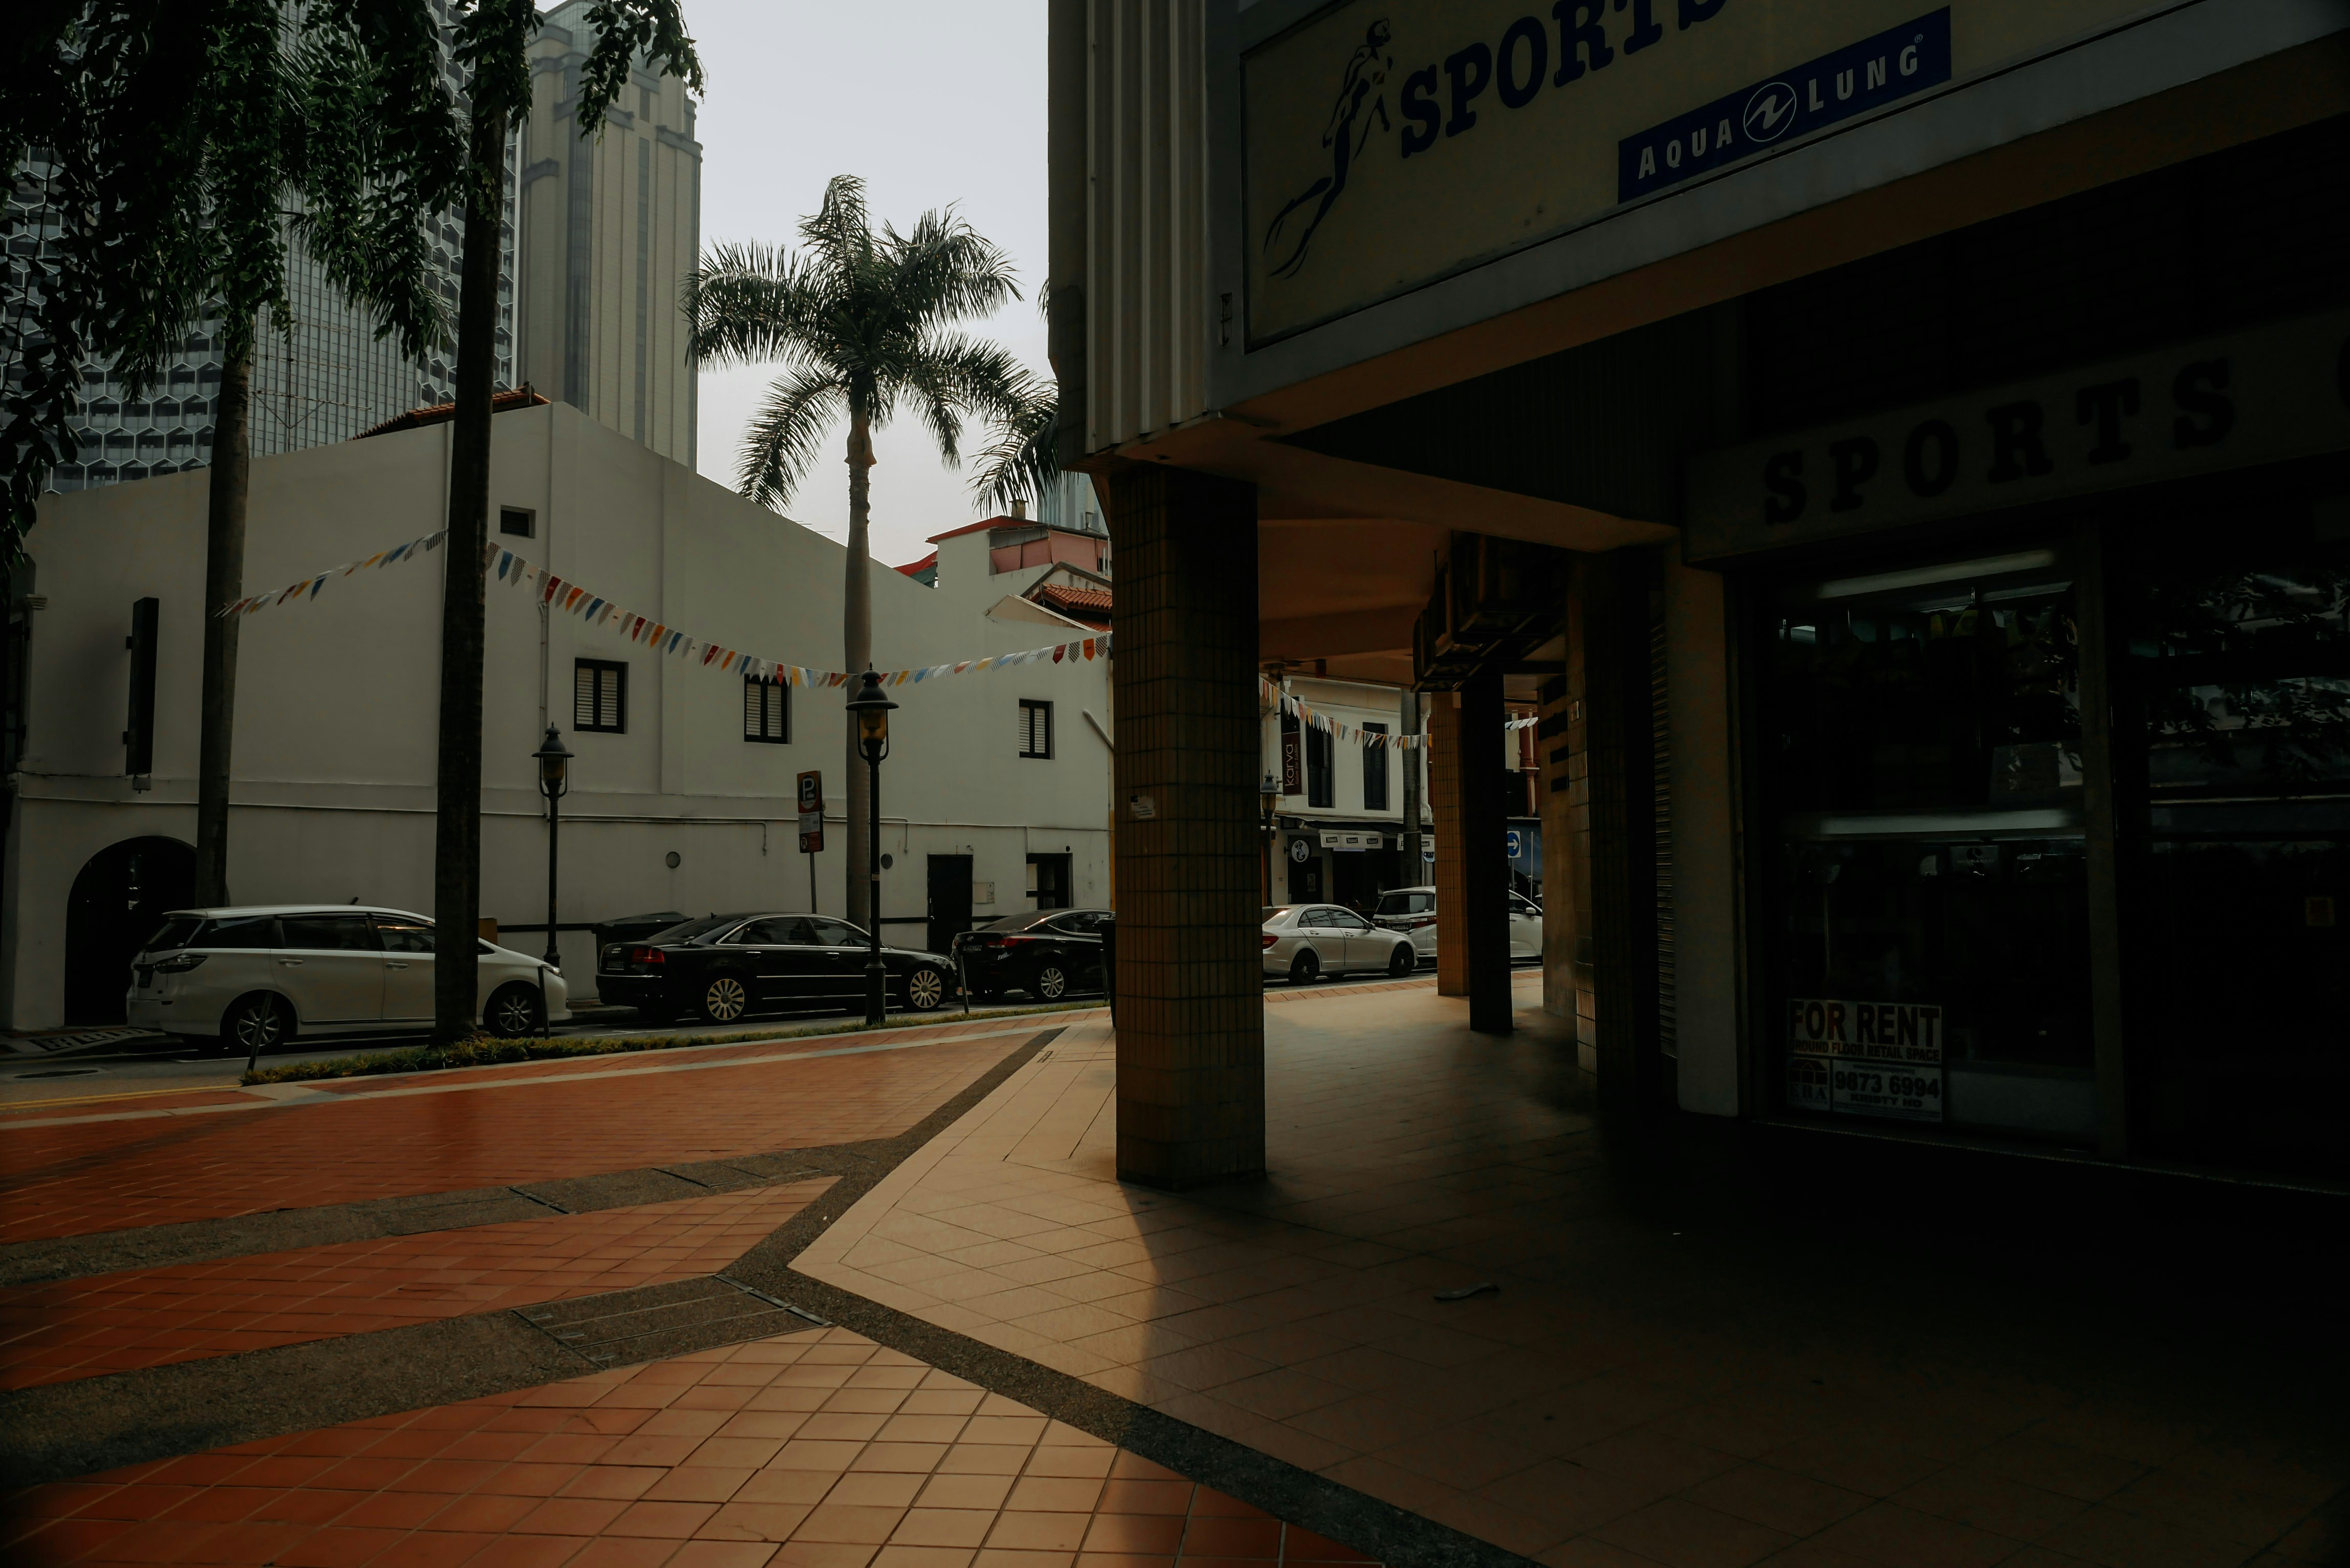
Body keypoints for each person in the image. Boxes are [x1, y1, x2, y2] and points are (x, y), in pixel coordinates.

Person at [1262, 19, 1392, 280]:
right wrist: (1333, 128)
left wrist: (1385, 119)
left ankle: (1306, 212)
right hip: (1349, 127)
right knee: (1338, 183)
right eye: (1385, 32)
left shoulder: (1382, 65)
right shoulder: (1365, 65)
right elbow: (1348, 97)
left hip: (1360, 131)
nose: (1389, 34)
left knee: (1339, 182)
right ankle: (1308, 225)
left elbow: (1377, 97)